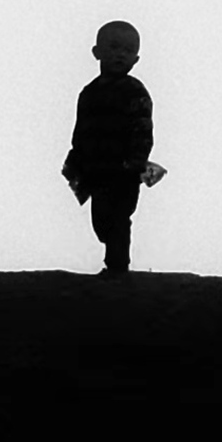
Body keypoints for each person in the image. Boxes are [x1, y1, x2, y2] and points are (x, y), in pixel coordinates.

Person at [62, 21, 157, 277]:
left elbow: (143, 128)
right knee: (101, 219)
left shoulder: (135, 91)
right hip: (96, 167)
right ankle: (113, 258)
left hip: (124, 168)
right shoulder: (89, 93)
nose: (120, 54)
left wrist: (137, 160)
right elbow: (81, 129)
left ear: (136, 59)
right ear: (97, 52)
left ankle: (117, 267)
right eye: (114, 47)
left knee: (119, 216)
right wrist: (76, 158)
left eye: (128, 50)